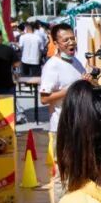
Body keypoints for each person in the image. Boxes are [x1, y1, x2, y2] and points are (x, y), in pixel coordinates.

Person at [40, 23, 86, 171]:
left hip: (80, 125)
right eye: (66, 40)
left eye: (72, 38)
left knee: (78, 170)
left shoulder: (76, 61)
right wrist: (71, 89)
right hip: (62, 128)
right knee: (63, 172)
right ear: (56, 44)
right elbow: (44, 99)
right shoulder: (52, 66)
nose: (71, 42)